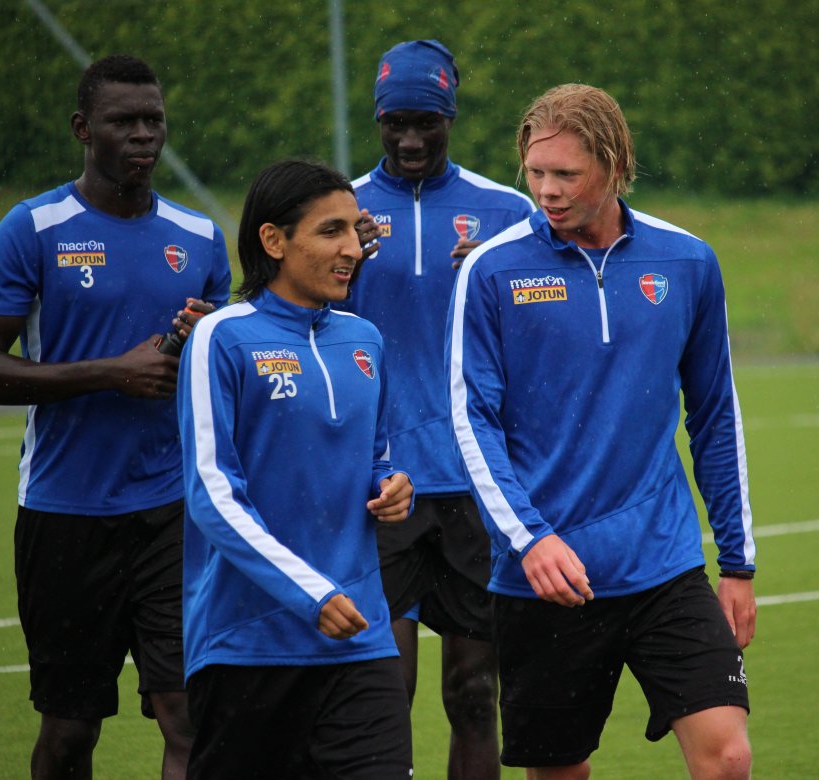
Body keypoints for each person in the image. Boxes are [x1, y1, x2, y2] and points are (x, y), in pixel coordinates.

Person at [446, 83, 758, 779]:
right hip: (545, 578)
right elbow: (472, 422)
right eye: (535, 172)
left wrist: (736, 564)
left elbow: (714, 414)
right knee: (561, 773)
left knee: (728, 758)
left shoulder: (687, 261)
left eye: (566, 174)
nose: (546, 191)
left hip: (663, 565)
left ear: (615, 166)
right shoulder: (491, 270)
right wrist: (529, 539)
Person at [0, 55, 231, 779]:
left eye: (153, 120)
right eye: (123, 121)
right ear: (83, 129)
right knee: (71, 731)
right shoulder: (33, 229)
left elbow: (217, 374)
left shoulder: (200, 237)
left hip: (172, 512)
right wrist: (113, 372)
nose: (143, 135)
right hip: (65, 512)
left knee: (188, 716)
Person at [335, 39, 535, 779]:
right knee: (383, 695)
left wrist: (497, 275)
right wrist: (341, 265)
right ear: (377, 120)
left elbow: (542, 336)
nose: (411, 140)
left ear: (451, 116)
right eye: (396, 123)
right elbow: (294, 321)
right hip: (377, 486)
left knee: (475, 693)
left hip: (476, 485)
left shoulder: (507, 212)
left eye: (427, 122)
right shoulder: (339, 211)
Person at [178, 159, 415, 778]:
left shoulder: (365, 339)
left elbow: (378, 456)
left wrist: (392, 486)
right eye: (330, 231)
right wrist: (311, 593)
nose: (352, 248)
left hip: (360, 637)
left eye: (354, 231)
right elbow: (212, 494)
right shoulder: (221, 338)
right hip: (247, 644)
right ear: (273, 240)